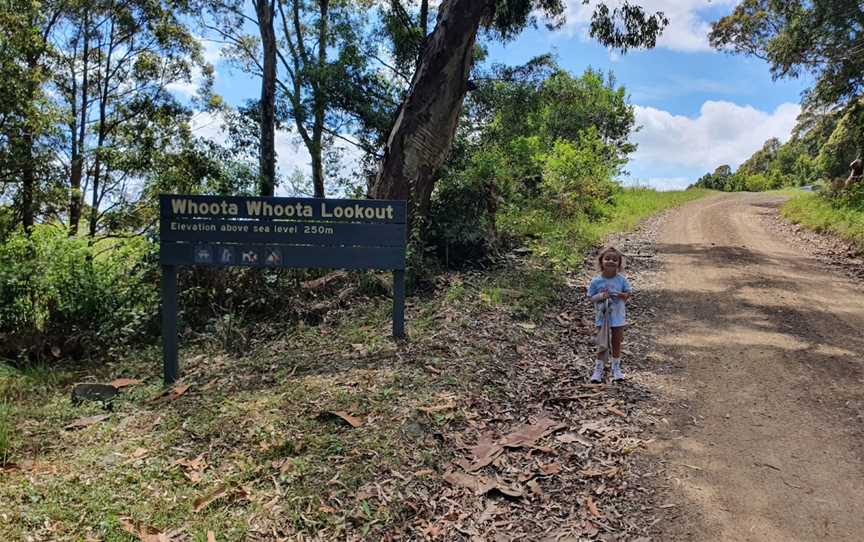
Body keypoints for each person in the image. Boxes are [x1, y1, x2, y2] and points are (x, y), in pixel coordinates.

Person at [587, 246, 632, 383]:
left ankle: (616, 368)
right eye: (607, 258)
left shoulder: (622, 280)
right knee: (602, 344)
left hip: (618, 317)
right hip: (602, 318)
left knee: (616, 342)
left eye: (615, 259)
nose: (611, 261)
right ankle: (598, 370)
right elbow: (591, 298)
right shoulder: (596, 281)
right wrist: (601, 295)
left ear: (619, 264)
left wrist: (620, 295)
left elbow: (628, 295)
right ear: (601, 262)